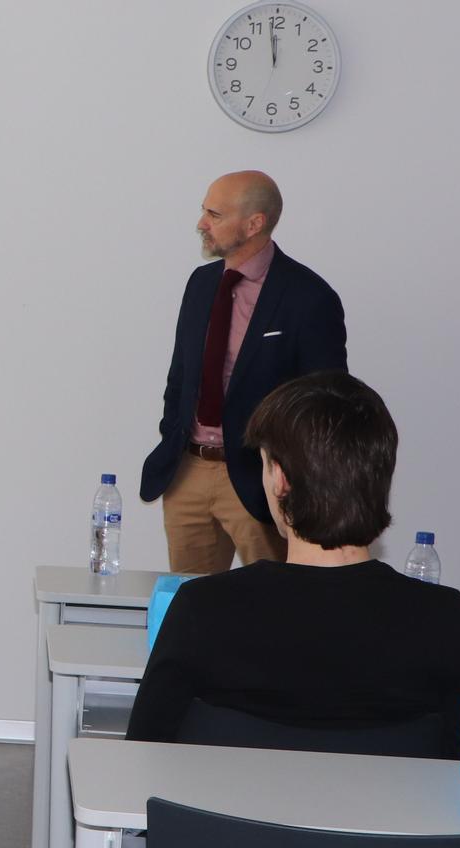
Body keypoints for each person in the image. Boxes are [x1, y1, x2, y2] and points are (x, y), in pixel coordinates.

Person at [126, 371, 460, 758]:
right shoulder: (445, 620)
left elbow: (142, 759)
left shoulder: (202, 609)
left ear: (280, 479)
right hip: (381, 819)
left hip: (235, 818)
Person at [139, 171, 348, 573]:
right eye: (204, 210)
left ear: (255, 224)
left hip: (261, 482)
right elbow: (180, 376)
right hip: (189, 474)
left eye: (214, 214)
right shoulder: (201, 284)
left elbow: (325, 402)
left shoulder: (309, 297)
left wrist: (286, 479)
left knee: (274, 613)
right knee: (191, 607)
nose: (202, 223)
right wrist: (173, 435)